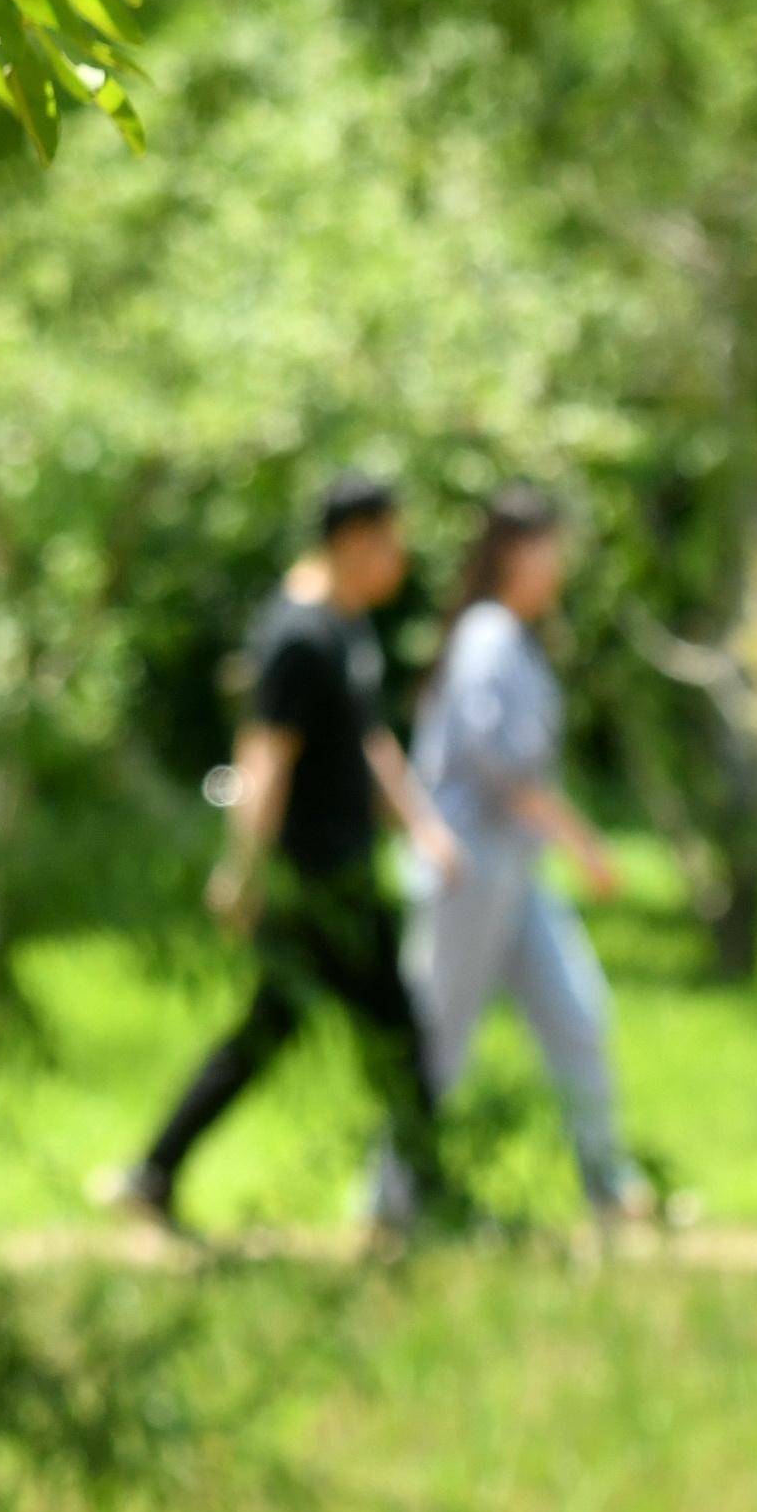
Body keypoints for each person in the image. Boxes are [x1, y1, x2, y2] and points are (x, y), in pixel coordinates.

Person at [105, 476, 453, 1243]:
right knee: (394, 1037)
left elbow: (368, 745)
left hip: (343, 871)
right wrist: (243, 870)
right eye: (392, 541)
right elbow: (264, 758)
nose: (400, 559)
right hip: (317, 879)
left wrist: (419, 827)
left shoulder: (345, 627)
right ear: (356, 541)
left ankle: (154, 1171)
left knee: (275, 1032)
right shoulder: (298, 634)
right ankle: (430, 1200)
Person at [397, 483, 656, 1229]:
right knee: (442, 1031)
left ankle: (608, 1182)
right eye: (553, 549)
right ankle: (396, 1195)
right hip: (469, 864)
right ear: (515, 550)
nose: (561, 567)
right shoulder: (487, 635)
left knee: (576, 1013)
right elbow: (498, 765)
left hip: (517, 866)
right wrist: (583, 840)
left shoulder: (514, 635)